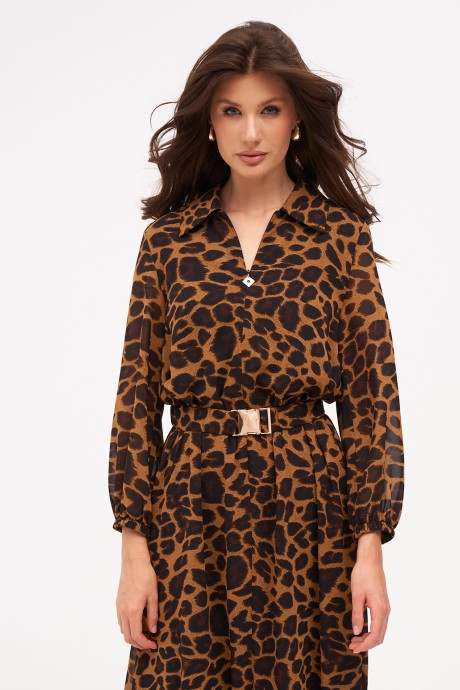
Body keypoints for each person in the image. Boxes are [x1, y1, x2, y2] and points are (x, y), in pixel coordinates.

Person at [108, 19, 404, 690]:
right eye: (231, 111)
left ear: (296, 120)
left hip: (310, 509)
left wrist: (370, 549)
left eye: (269, 110)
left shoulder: (338, 239)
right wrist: (134, 549)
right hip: (191, 510)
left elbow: (373, 399)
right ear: (208, 122)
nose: (250, 132)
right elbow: (135, 398)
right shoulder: (169, 242)